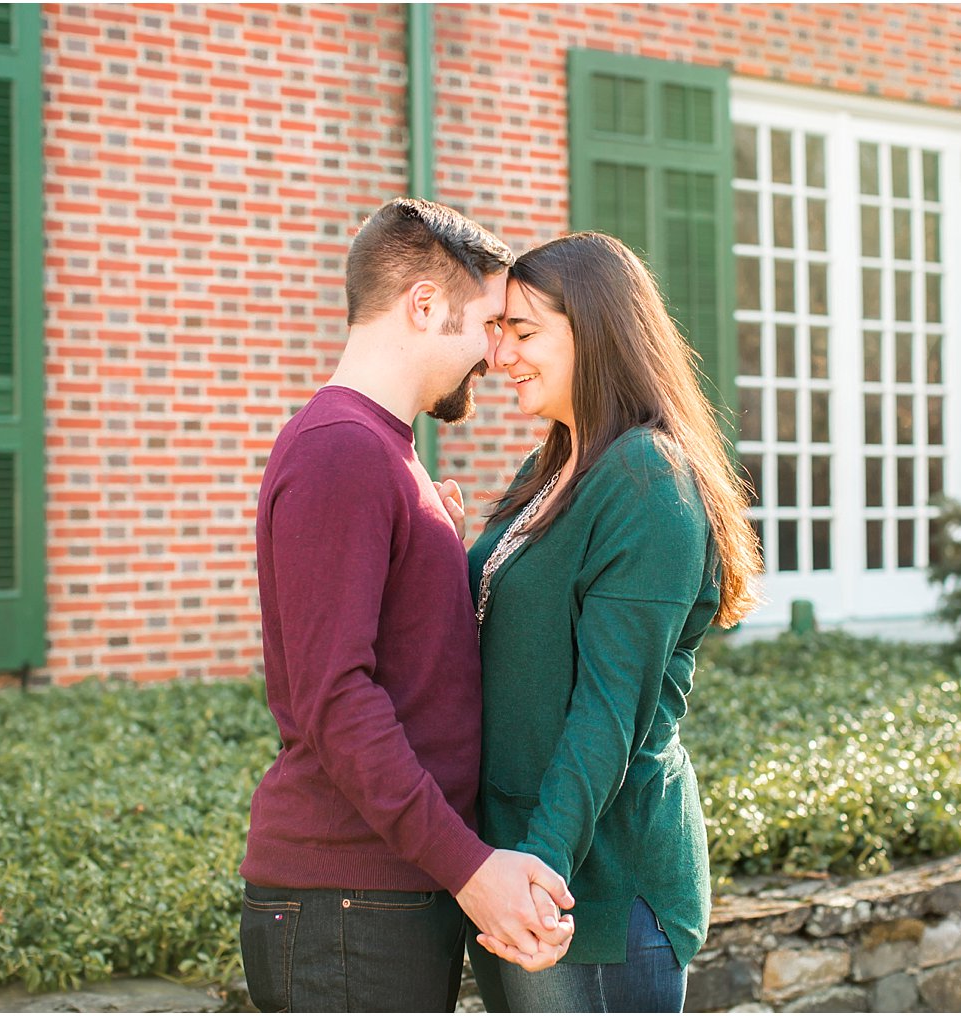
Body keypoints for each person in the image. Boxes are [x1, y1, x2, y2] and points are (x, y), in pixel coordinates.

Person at [239, 199, 574, 1014]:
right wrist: (469, 867)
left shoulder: (384, 452)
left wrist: (436, 560)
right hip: (346, 904)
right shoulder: (342, 450)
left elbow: (410, 667)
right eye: (490, 323)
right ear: (424, 306)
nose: (497, 354)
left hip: (380, 894)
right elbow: (337, 699)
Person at [459, 232, 762, 1012]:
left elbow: (608, 709)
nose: (501, 358)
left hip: (591, 900)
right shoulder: (555, 463)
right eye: (499, 334)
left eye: (525, 333)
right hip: (522, 871)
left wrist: (538, 871)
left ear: (596, 330)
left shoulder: (644, 476)